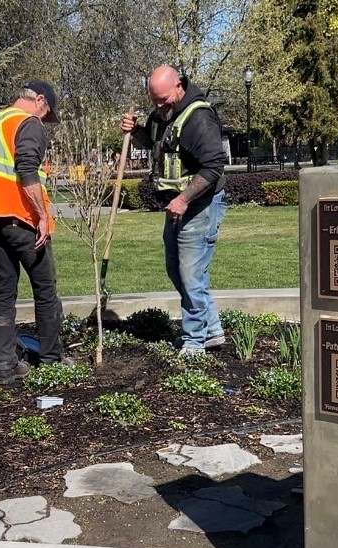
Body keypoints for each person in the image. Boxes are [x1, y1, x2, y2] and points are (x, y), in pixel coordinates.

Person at [0, 80, 68, 384]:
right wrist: (42, 217)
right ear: (38, 100)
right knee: (46, 292)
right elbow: (27, 171)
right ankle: (51, 360)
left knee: (4, 295)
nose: (44, 120)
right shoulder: (28, 124)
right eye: (46, 112)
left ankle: (5, 366)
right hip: (23, 222)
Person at [121, 65, 229, 355]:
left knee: (191, 274)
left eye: (163, 99)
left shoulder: (199, 118)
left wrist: (184, 198)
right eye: (153, 100)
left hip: (200, 204)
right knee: (177, 270)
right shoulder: (162, 114)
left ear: (180, 86)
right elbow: (158, 144)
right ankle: (212, 329)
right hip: (176, 206)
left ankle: (194, 341)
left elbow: (214, 167)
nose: (158, 106)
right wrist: (137, 132)